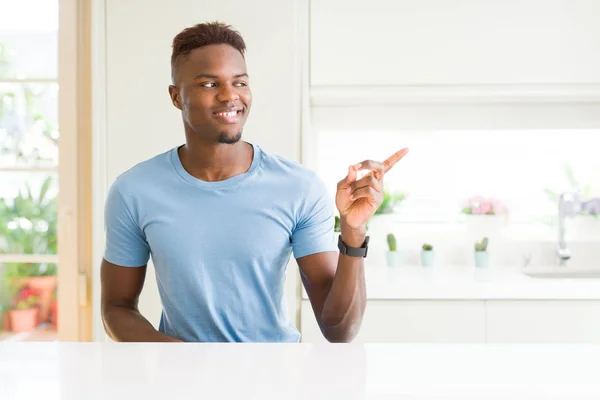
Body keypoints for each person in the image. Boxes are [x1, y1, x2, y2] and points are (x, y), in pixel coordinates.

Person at [100, 21, 408, 343]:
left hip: (277, 378)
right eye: (209, 84)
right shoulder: (134, 190)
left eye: (240, 82)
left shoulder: (298, 187)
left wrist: (353, 231)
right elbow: (117, 309)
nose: (230, 96)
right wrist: (182, 361)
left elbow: (339, 330)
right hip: (183, 382)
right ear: (176, 97)